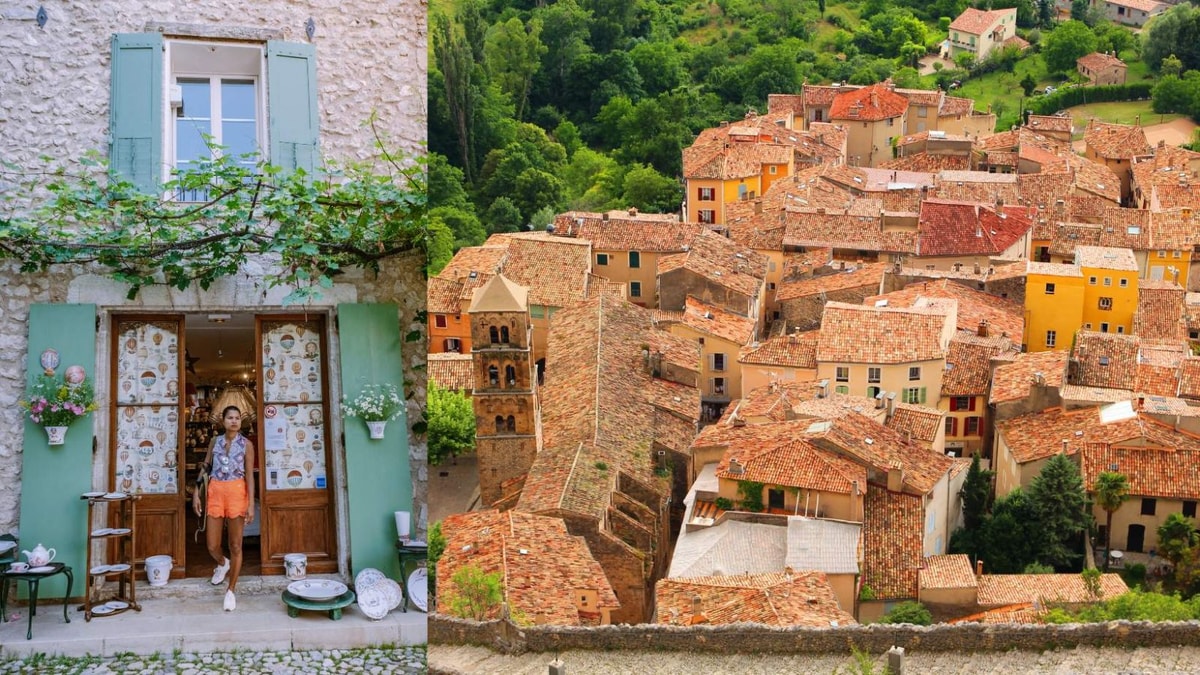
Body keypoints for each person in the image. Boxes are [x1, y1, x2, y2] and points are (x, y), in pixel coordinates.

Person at [192, 405, 255, 611]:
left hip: (237, 491)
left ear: (241, 421)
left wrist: (251, 504)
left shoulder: (246, 444)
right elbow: (206, 466)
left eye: (237, 418)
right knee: (211, 545)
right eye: (230, 417)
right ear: (223, 421)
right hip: (216, 492)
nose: (234, 421)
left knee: (235, 545)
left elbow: (249, 475)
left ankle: (231, 590)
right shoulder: (214, 441)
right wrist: (196, 492)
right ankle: (222, 563)